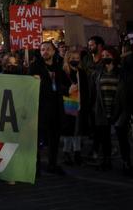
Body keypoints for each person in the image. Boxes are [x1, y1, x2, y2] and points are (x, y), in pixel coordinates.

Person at [90, 47, 133, 177]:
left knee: (122, 137)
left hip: (120, 108)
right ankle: (106, 160)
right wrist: (93, 107)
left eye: (108, 54)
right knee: (105, 138)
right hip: (102, 108)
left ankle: (126, 162)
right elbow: (93, 91)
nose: (105, 57)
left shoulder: (123, 73)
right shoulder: (98, 72)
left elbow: (131, 93)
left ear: (114, 57)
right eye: (103, 55)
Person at [29, 41, 70, 175]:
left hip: (56, 108)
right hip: (41, 108)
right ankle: (35, 166)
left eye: (47, 49)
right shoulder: (35, 67)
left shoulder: (58, 67)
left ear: (53, 51)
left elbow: (66, 85)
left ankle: (53, 164)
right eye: (42, 49)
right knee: (37, 138)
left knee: (54, 138)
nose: (44, 52)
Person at [61, 48, 89, 166]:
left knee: (78, 130)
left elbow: (86, 89)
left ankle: (77, 153)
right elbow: (59, 88)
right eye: (73, 59)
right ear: (68, 59)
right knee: (69, 130)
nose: (75, 61)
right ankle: (67, 152)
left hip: (79, 103)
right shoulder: (64, 72)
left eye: (77, 59)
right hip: (68, 103)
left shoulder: (81, 72)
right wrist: (67, 90)